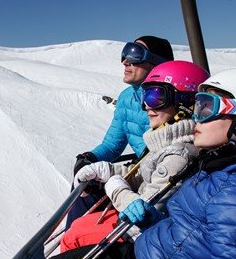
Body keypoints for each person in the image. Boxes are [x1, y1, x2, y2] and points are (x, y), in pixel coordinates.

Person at [25, 69, 236, 259]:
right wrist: (154, 220)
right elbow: (194, 232)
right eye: (196, 106)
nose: (196, 117)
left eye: (207, 107)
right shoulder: (222, 168)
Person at [61, 61, 209, 252]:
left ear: (185, 103)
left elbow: (146, 210)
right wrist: (107, 170)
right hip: (133, 219)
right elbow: (142, 173)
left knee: (74, 237)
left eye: (156, 97)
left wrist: (115, 186)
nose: (147, 106)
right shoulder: (164, 140)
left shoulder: (179, 155)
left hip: (141, 234)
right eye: (145, 96)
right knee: (80, 225)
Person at [67, 36, 174, 228]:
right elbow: (112, 144)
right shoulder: (127, 98)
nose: (125, 61)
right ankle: (70, 245)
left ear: (158, 62)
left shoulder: (170, 102)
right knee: (84, 188)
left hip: (156, 181)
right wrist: (88, 158)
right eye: (125, 53)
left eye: (135, 54)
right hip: (137, 172)